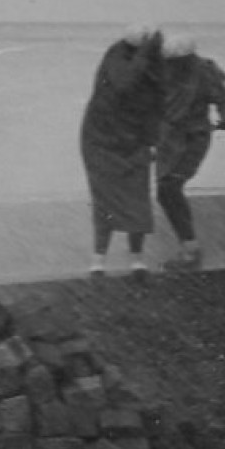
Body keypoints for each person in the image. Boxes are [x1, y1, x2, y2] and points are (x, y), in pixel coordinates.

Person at [80, 24, 165, 279]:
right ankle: (98, 258)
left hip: (133, 141)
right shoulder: (116, 57)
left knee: (137, 197)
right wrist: (146, 52)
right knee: (104, 199)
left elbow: (156, 109)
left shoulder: (150, 68)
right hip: (100, 141)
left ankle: (136, 258)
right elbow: (124, 84)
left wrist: (154, 143)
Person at [154, 34, 225, 271]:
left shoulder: (205, 69)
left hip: (194, 137)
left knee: (169, 187)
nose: (173, 65)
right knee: (165, 191)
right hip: (167, 138)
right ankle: (189, 247)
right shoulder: (162, 69)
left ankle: (190, 250)